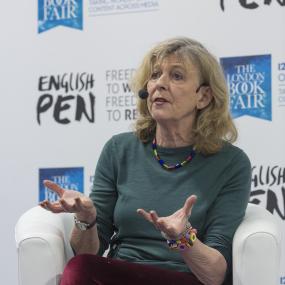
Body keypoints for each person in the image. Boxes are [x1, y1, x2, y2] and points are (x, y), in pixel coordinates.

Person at [40, 37, 251, 285]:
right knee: (81, 266)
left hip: (184, 278)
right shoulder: (119, 149)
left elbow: (215, 275)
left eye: (177, 76)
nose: (159, 84)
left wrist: (183, 238)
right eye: (155, 75)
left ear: (203, 97)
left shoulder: (231, 163)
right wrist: (87, 218)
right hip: (122, 273)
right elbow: (89, 253)